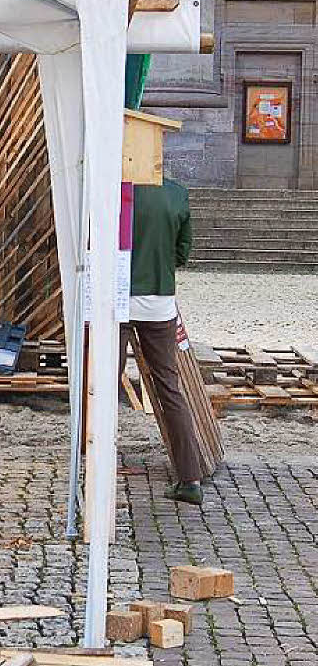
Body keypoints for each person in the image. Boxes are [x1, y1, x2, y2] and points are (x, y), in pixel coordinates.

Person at [120, 176, 203, 505]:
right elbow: (182, 252)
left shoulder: (116, 189)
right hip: (160, 302)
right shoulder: (178, 193)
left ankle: (93, 468)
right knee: (169, 389)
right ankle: (190, 478)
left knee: (103, 385)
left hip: (119, 298)